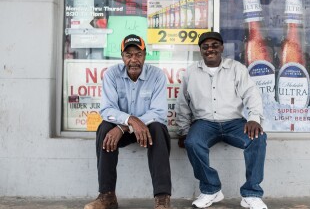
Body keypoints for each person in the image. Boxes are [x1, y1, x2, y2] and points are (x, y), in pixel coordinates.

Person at [176, 31, 268, 209]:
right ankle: (211, 190)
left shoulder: (236, 68)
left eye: (214, 45)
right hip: (204, 123)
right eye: (205, 46)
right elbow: (183, 104)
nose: (210, 49)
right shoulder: (191, 72)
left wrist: (254, 118)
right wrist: (183, 131)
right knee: (193, 142)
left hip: (234, 122)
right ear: (200, 50)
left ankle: (251, 194)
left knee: (258, 138)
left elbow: (251, 94)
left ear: (222, 47)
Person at [85, 34, 172, 209]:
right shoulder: (111, 74)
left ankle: (162, 199)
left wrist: (128, 124)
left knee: (158, 128)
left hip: (147, 131)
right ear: (122, 56)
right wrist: (130, 121)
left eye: (138, 54)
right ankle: (107, 196)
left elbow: (159, 112)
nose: (134, 59)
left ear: (145, 55)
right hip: (123, 130)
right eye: (128, 55)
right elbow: (107, 109)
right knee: (104, 129)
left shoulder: (157, 76)